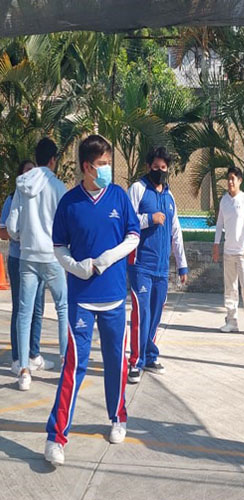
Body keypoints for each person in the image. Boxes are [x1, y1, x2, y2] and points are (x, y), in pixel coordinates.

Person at [44, 134, 140, 466]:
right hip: (81, 298)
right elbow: (59, 246)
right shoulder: (69, 203)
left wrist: (110, 257)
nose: (107, 169)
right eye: (102, 164)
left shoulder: (119, 196)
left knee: (117, 362)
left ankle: (118, 416)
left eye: (108, 163)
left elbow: (133, 236)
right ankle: (56, 437)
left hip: (114, 296)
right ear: (87, 167)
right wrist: (76, 267)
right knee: (74, 366)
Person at [6, 139, 68, 391]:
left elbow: (11, 227)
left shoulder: (22, 185)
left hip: (27, 257)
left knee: (24, 312)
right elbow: (66, 226)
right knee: (63, 308)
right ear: (53, 160)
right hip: (52, 257)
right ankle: (65, 363)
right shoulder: (59, 187)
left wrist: (23, 238)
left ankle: (23, 370)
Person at [127, 146, 188, 384]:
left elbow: (176, 231)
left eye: (164, 168)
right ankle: (135, 361)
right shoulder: (138, 189)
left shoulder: (169, 196)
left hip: (162, 268)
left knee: (155, 314)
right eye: (156, 167)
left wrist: (182, 265)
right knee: (142, 313)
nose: (160, 171)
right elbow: (126, 221)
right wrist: (148, 219)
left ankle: (149, 354)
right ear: (147, 167)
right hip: (140, 264)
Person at [0, 160, 51, 375]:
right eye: (26, 171)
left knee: (38, 308)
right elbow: (4, 230)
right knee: (21, 309)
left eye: (33, 171)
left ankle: (33, 354)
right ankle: (17, 358)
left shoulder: (42, 198)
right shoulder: (13, 199)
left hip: (39, 259)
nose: (31, 175)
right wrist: (22, 235)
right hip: (19, 259)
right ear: (20, 175)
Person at [212, 166, 244, 336]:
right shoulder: (224, 201)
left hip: (242, 253)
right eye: (229, 179)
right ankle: (231, 321)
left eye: (233, 179)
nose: (230, 182)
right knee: (230, 289)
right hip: (228, 252)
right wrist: (216, 245)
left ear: (240, 181)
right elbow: (219, 225)